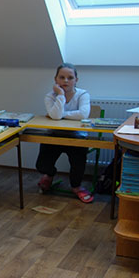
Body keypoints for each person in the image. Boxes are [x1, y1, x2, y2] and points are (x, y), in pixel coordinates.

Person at [36, 63, 93, 203]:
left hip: (77, 135)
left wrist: (61, 114)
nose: (65, 81)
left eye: (70, 77)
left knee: (78, 163)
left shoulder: (83, 94)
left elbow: (83, 114)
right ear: (56, 79)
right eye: (61, 77)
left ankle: (76, 187)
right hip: (54, 134)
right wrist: (61, 95)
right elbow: (55, 116)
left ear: (76, 80)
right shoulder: (50, 96)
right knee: (41, 165)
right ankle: (49, 175)